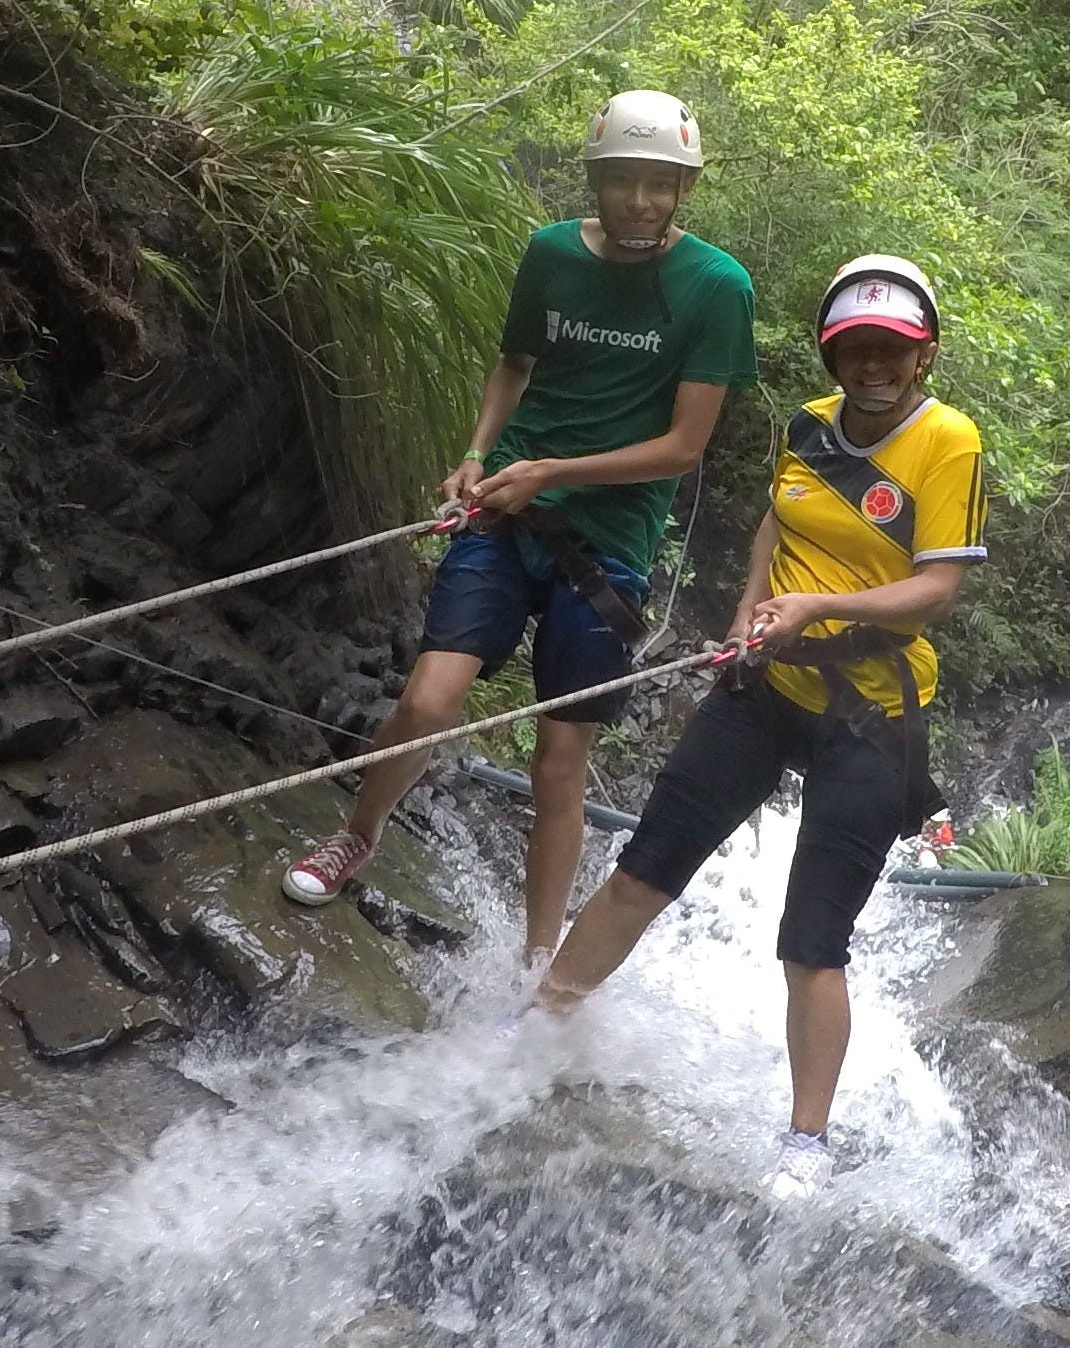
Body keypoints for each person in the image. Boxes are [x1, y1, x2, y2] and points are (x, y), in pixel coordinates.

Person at [531, 255, 986, 1197]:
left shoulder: (949, 442)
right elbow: (775, 527)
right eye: (855, 349)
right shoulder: (808, 428)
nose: (872, 366)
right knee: (646, 866)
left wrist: (814, 607)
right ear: (832, 352)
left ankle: (805, 1142)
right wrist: (747, 616)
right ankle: (539, 1023)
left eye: (891, 351)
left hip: (874, 712)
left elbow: (937, 588)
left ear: (923, 356)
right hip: (765, 682)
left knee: (812, 939)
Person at [283, 90, 760, 967]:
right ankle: (358, 832)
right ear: (597, 179)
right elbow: (514, 363)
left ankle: (538, 962)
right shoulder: (549, 255)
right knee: (429, 697)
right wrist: (480, 453)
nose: (642, 201)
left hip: (610, 537)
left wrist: (551, 473)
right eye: (625, 181)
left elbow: (682, 447)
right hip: (506, 507)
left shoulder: (717, 287)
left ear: (685, 190)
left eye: (662, 184)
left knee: (558, 759)